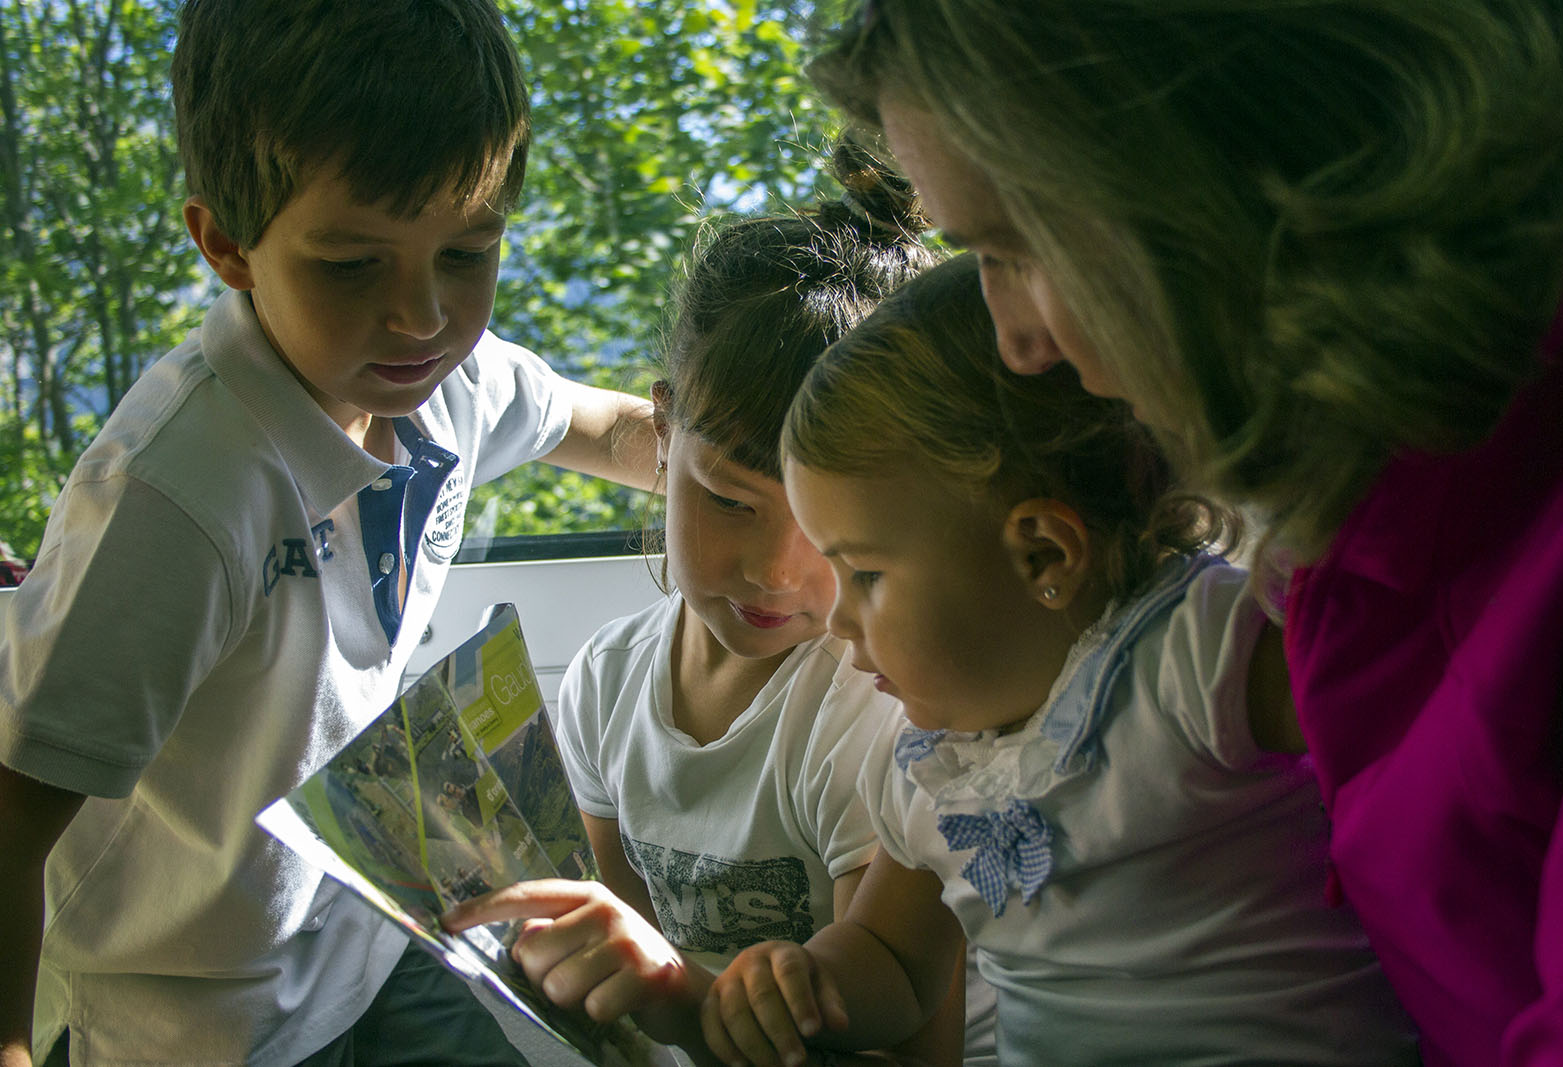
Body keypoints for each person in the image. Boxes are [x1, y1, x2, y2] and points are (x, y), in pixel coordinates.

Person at [804, 3, 1563, 1063]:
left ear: (1205, 176)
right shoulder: (1345, 522)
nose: (1018, 342)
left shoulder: (1232, 641)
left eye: (1014, 249)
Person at [0, 1, 657, 1063]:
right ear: (228, 246)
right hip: (188, 1013)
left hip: (358, 925)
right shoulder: (178, 494)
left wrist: (770, 473)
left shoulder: (451, 383)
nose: (422, 317)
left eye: (469, 249)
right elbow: (11, 813)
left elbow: (609, 428)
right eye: (353, 266)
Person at [700, 255, 1416, 1067]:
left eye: (866, 574)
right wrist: (805, 978)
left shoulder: (1199, 656)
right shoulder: (924, 771)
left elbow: (1410, 732)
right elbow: (895, 962)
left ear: (1042, 554)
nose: (839, 616)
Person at [442, 147, 993, 1067]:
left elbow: (908, 1025)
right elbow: (622, 956)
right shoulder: (604, 684)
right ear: (663, 436)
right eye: (731, 501)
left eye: (824, 524)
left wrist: (681, 994)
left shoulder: (878, 707)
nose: (776, 572)